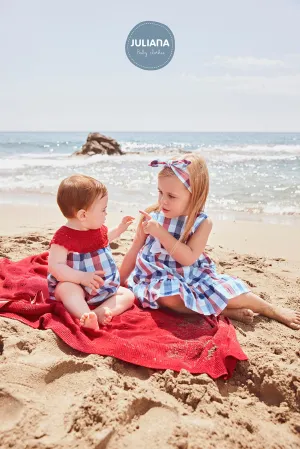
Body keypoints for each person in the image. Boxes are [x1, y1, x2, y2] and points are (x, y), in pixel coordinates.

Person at [119, 154, 300, 330]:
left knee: (228, 290)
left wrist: (161, 233)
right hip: (157, 277)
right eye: (160, 192)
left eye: (171, 196)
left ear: (194, 195)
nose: (163, 200)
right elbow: (134, 249)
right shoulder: (151, 217)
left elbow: (188, 259)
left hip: (192, 275)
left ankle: (269, 309)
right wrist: (118, 281)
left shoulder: (201, 222)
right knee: (168, 298)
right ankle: (225, 311)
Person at [48, 174, 135, 330]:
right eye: (103, 210)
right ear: (83, 215)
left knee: (127, 295)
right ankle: (84, 314)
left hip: (103, 289)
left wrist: (120, 229)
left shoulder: (97, 230)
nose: (106, 214)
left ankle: (100, 311)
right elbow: (56, 267)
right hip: (77, 286)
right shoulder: (64, 236)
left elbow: (106, 239)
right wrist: (81, 277)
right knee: (66, 289)